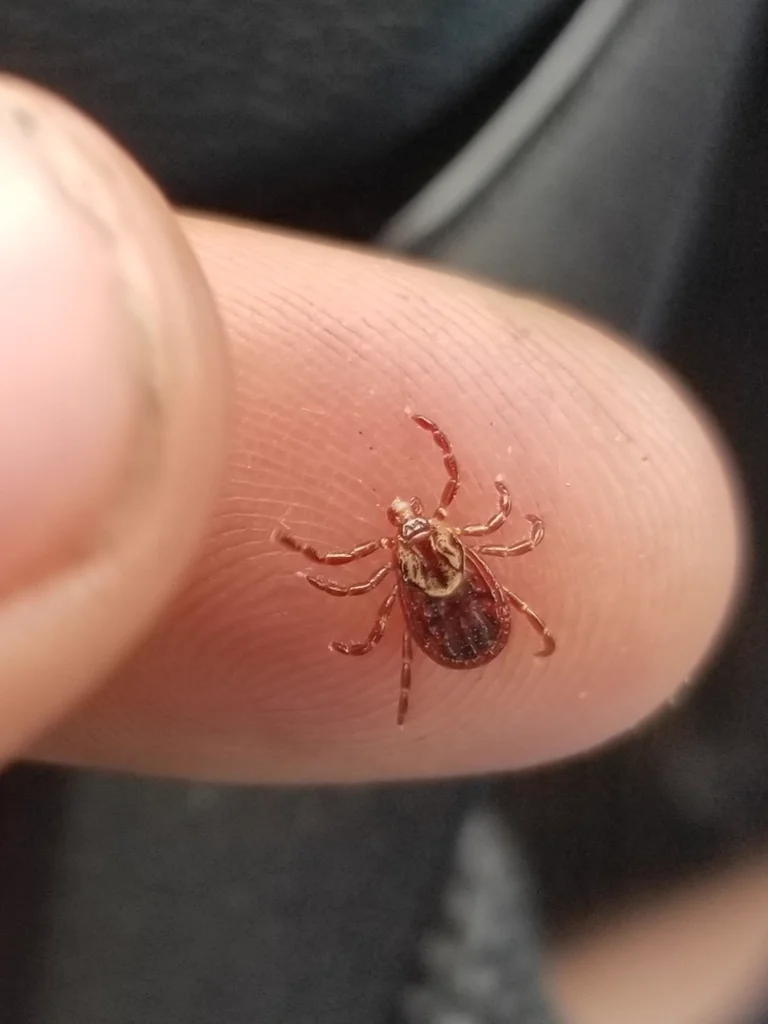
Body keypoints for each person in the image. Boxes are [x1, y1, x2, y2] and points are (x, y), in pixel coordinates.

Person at [0, 75, 764, 1024]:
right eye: (418, 532)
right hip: (474, 642)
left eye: (422, 528)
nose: (418, 528)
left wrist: (343, 560)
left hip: (457, 648)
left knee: (405, 640)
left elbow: (376, 605)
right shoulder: (454, 550)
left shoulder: (413, 567)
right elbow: (494, 541)